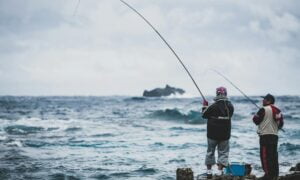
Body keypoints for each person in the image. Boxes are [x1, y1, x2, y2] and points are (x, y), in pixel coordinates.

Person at [202, 87, 234, 178]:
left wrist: (204, 106)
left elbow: (204, 115)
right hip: (225, 134)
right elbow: (230, 115)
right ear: (226, 94)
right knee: (223, 152)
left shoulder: (213, 106)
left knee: (210, 152)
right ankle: (219, 172)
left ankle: (209, 172)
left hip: (212, 134)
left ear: (217, 94)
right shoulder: (230, 106)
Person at [253, 94, 284, 180]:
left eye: (264, 100)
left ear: (269, 101)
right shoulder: (278, 110)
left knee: (265, 156)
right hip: (274, 136)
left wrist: (257, 114)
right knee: (273, 155)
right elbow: (281, 124)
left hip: (265, 136)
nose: (263, 101)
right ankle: (275, 174)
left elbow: (255, 120)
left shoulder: (263, 109)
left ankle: (268, 175)